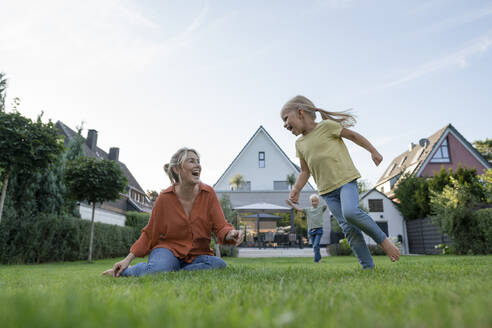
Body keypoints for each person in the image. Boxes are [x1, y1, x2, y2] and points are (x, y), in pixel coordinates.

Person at [280, 95, 400, 269]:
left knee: (350, 212)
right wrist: (297, 189)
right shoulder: (299, 143)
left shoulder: (327, 127)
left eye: (285, 119)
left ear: (300, 112)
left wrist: (373, 151)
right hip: (327, 192)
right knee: (349, 229)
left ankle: (384, 241)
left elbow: (352, 136)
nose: (284, 125)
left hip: (346, 181)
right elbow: (305, 170)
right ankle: (368, 268)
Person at [102, 147, 244, 277]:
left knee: (219, 265)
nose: (198, 165)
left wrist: (230, 233)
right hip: (168, 250)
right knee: (157, 271)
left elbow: (221, 226)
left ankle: (172, 271)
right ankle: (129, 272)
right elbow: (150, 233)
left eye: (198, 161)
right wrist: (127, 260)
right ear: (177, 169)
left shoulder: (208, 194)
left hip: (198, 254)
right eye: (191, 161)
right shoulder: (164, 198)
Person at [286, 194, 327, 263]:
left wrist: (326, 194)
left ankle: (318, 260)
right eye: (312, 201)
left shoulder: (321, 208)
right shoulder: (307, 210)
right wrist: (291, 204)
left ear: (318, 201)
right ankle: (317, 260)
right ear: (310, 202)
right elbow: (298, 209)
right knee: (314, 246)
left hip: (319, 230)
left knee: (316, 245)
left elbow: (327, 204)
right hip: (311, 230)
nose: (314, 202)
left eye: (315, 201)